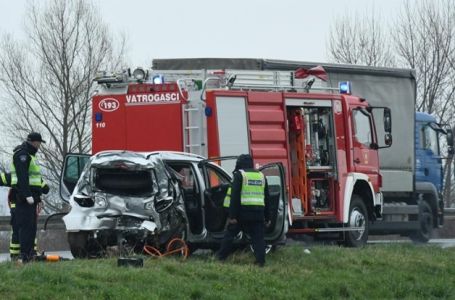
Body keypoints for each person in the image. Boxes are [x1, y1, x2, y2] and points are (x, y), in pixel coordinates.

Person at [217, 154, 271, 267]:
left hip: (242, 213)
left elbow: (235, 197)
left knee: (229, 235)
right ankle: (260, 262)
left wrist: (232, 216)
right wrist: (268, 217)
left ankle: (220, 258)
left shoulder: (239, 175)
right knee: (258, 239)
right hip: (258, 214)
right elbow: (267, 197)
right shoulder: (261, 176)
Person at [10, 132, 47, 262]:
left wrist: (38, 198)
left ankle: (30, 254)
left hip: (32, 198)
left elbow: (34, 179)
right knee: (26, 228)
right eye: (39, 143)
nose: (39, 146)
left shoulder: (30, 155)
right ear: (33, 142)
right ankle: (25, 256)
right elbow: (22, 177)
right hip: (24, 198)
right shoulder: (22, 155)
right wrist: (27, 195)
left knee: (31, 228)